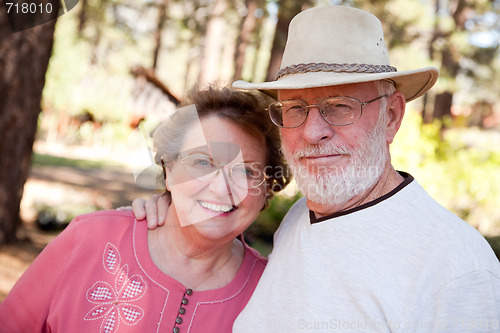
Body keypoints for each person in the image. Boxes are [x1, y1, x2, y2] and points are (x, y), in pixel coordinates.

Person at [133, 5, 500, 332]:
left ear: (390, 116)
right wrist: (176, 214)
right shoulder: (302, 215)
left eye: (340, 105)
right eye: (294, 108)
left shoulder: (454, 268)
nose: (312, 132)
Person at [0, 86, 290, 332]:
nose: (220, 187)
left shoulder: (269, 293)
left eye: (245, 171)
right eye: (203, 162)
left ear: (266, 190)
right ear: (169, 169)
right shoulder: (90, 238)